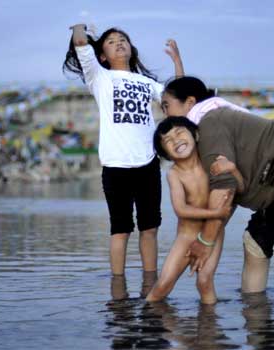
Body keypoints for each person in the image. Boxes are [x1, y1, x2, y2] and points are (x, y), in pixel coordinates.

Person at [160, 76, 274, 300]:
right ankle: (257, 323)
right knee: (254, 245)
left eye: (166, 106)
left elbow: (224, 188)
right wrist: (206, 237)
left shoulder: (210, 123)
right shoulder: (211, 122)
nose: (165, 115)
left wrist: (205, 242)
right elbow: (230, 194)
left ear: (189, 102)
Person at [63, 23, 185, 276]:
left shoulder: (146, 82)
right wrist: (80, 27)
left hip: (148, 162)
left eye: (123, 40)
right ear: (102, 56)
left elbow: (177, 100)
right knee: (121, 230)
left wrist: (177, 61)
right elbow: (80, 43)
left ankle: (149, 285)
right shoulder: (99, 77)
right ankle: (117, 289)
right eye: (112, 41)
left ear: (131, 48)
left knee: (150, 228)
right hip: (115, 164)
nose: (119, 43)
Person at [146, 117, 238, 304]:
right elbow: (181, 209)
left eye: (179, 133)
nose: (176, 140)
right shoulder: (174, 174)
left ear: (195, 135)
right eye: (168, 141)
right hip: (185, 237)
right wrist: (216, 214)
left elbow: (238, 189)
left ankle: (208, 328)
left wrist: (233, 169)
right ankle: (149, 328)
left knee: (204, 282)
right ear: (166, 154)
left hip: (212, 235)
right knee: (163, 285)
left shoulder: (211, 164)